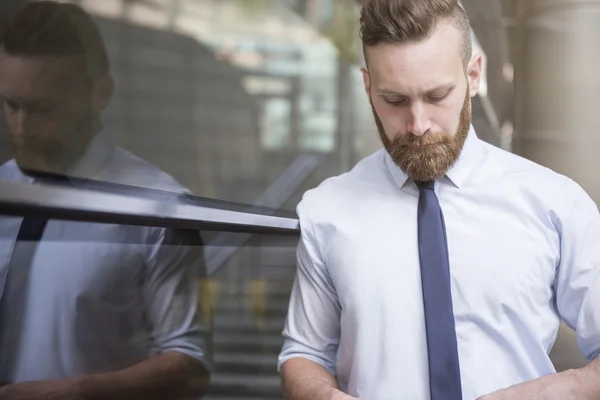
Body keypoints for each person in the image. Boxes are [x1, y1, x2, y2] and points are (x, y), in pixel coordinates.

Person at [278, 0, 600, 399]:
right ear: (367, 87)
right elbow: (303, 353)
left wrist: (548, 392)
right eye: (394, 100)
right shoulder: (326, 211)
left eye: (436, 95)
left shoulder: (554, 203)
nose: (418, 125)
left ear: (474, 74)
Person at [0, 1, 212, 399]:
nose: (22, 128)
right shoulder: (3, 191)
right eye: (11, 105)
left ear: (101, 94)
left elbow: (190, 363)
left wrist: (73, 393)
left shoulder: (158, 209)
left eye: (43, 109)